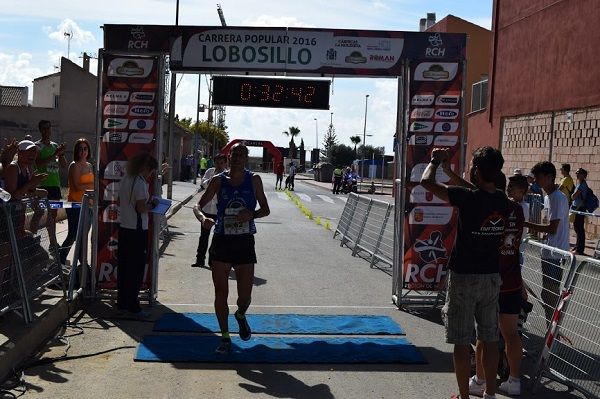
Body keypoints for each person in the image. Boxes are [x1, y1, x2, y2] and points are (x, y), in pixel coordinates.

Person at [421, 146, 510, 399]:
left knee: (461, 341)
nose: (469, 168)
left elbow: (426, 182)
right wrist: (451, 171)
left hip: (464, 277)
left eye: (472, 165)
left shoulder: (467, 197)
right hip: (491, 277)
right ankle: (490, 394)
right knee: (489, 338)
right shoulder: (502, 199)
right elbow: (476, 188)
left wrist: (436, 162)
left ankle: (464, 396)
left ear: (478, 172)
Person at [196, 143, 270, 354]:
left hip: (244, 241)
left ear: (246, 158)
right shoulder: (218, 180)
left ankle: (240, 315)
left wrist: (251, 214)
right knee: (221, 292)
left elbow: (266, 209)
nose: (237, 158)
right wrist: (203, 219)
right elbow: (198, 205)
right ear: (228, 157)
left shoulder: (254, 180)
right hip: (221, 240)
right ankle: (225, 338)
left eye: (241, 155)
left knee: (244, 297)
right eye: (233, 154)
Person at [471, 173, 526, 397]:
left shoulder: (489, 208)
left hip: (490, 280)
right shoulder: (518, 210)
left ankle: (480, 379)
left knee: (485, 335)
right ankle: (514, 380)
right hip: (512, 279)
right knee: (512, 333)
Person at [524, 161, 570, 324]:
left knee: (550, 293)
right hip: (548, 251)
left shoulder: (558, 198)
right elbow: (546, 224)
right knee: (547, 293)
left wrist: (525, 223)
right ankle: (551, 333)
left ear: (549, 177)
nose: (535, 181)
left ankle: (553, 335)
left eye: (538, 177)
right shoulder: (547, 197)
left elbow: (551, 228)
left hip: (555, 253)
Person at [117, 152, 159, 317]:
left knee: (124, 268)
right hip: (137, 230)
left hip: (124, 228)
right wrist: (153, 205)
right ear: (145, 168)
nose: (151, 175)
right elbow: (141, 207)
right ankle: (134, 306)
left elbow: (124, 202)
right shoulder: (140, 183)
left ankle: (122, 303)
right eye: (151, 171)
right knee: (135, 270)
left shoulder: (126, 178)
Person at [33, 120, 67, 250]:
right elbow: (39, 163)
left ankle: (53, 242)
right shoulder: (37, 146)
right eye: (44, 128)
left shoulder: (55, 145)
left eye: (49, 128)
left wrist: (61, 153)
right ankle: (31, 240)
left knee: (52, 216)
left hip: (55, 185)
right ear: (40, 130)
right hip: (42, 185)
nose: (47, 130)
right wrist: (55, 155)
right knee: (39, 213)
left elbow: (63, 165)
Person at [59, 139, 94, 266]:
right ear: (76, 151)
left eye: (85, 148)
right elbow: (77, 186)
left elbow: (90, 186)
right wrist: (92, 187)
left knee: (83, 236)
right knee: (73, 235)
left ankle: (82, 263)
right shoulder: (74, 165)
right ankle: (60, 260)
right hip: (75, 205)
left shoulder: (89, 166)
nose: (83, 151)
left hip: (88, 205)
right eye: (80, 148)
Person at [4, 140, 48, 237]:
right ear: (20, 152)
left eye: (35, 152)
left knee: (29, 241)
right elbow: (11, 197)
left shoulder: (29, 168)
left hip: (19, 217)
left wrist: (38, 192)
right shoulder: (13, 168)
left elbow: (27, 191)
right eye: (29, 151)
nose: (33, 154)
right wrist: (31, 184)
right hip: (7, 218)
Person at [192, 153, 227, 268]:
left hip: (219, 211)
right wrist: (214, 178)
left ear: (225, 163)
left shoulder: (227, 175)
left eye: (222, 163)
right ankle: (199, 260)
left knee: (216, 238)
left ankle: (212, 261)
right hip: (206, 209)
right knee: (203, 236)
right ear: (214, 163)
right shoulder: (209, 172)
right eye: (217, 163)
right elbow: (204, 184)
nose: (220, 165)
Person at [571, 167, 589, 255]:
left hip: (580, 208)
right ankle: (577, 246)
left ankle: (580, 249)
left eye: (579, 173)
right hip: (576, 208)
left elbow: (574, 196)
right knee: (576, 227)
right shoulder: (579, 184)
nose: (577, 174)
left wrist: (572, 196)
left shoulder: (583, 185)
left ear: (583, 175)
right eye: (576, 173)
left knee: (579, 228)